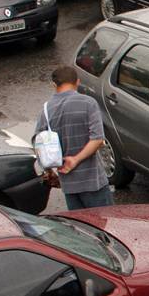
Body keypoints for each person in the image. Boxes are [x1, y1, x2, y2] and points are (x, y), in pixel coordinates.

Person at [33, 66, 113, 211]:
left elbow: (39, 146)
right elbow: (97, 139)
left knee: (82, 228)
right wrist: (76, 159)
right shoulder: (88, 103)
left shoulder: (46, 110)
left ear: (54, 85)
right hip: (93, 181)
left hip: (69, 185)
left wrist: (49, 171)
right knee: (106, 224)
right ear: (77, 82)